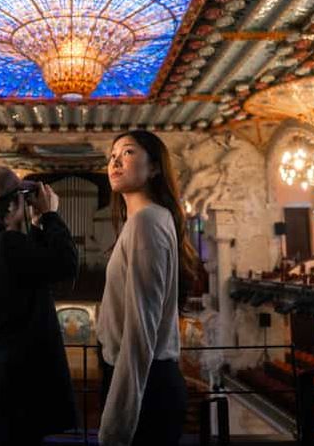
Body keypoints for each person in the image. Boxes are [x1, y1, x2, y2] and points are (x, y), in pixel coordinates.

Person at [0, 166, 78, 446]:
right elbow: (66, 264)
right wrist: (50, 215)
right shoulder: (7, 244)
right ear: (13, 204)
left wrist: (35, 225)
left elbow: (29, 265)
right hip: (18, 377)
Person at [97, 130, 198, 446]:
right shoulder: (146, 220)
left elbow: (140, 330)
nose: (115, 162)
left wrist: (116, 422)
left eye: (128, 152)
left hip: (145, 385)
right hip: (146, 378)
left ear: (154, 167)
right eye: (112, 156)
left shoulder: (147, 221)